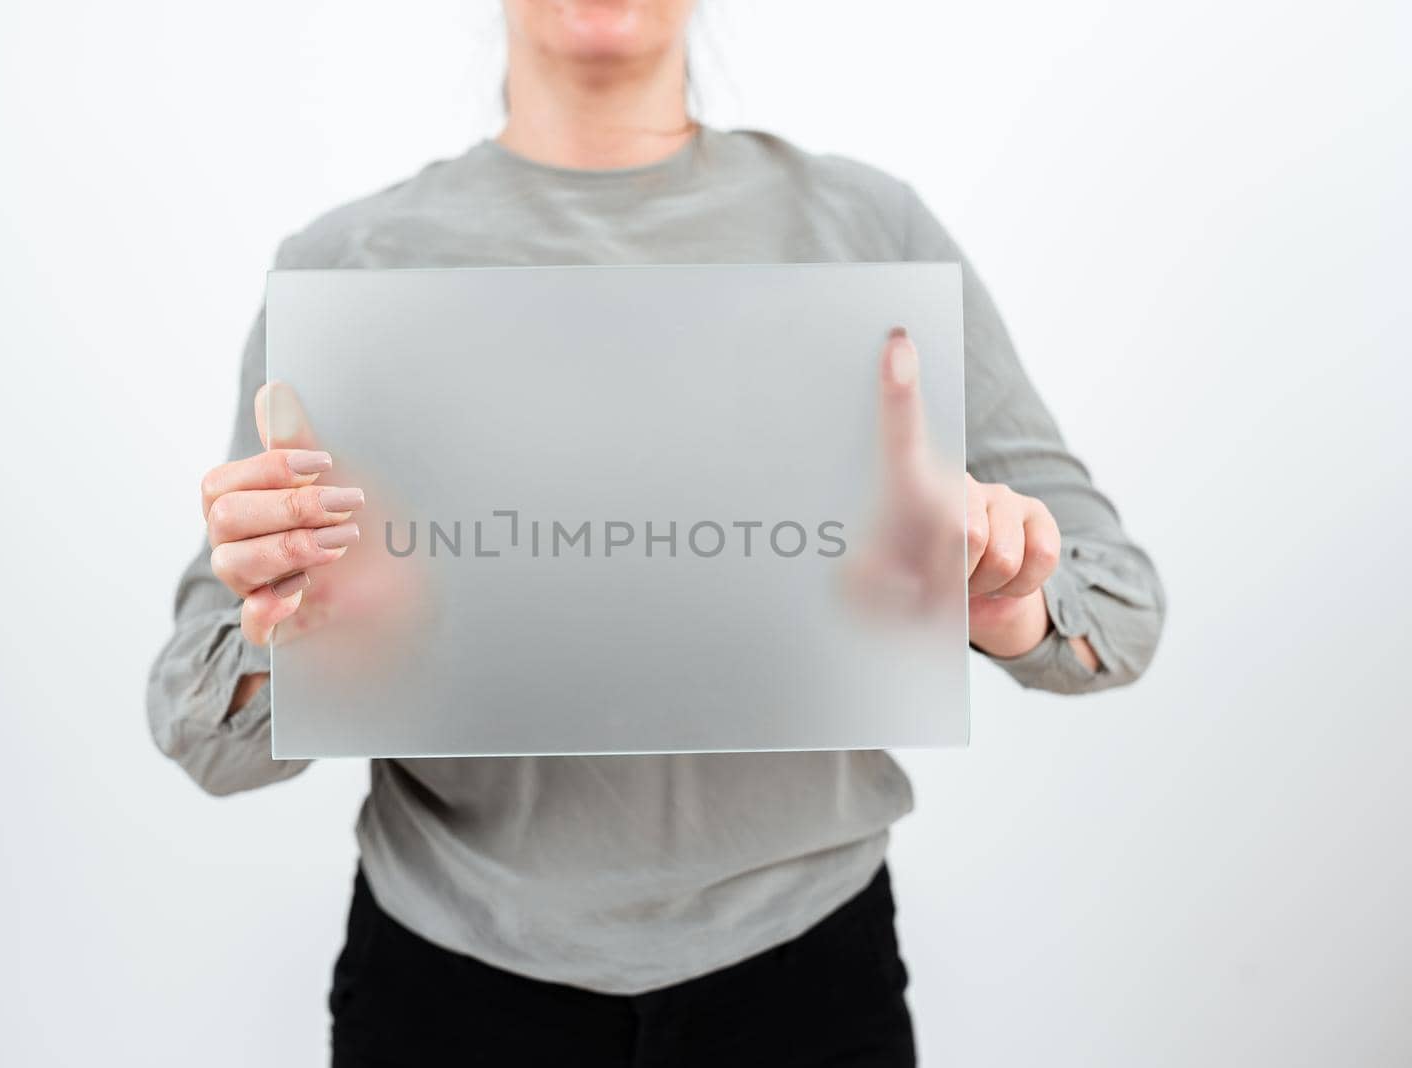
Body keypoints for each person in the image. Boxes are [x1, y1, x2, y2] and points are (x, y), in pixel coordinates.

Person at [147, 1, 1165, 1064]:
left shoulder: (867, 230)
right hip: (449, 983)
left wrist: (1003, 600)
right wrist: (295, 627)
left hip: (804, 976)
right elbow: (200, 730)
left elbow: (1118, 612)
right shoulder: (344, 265)